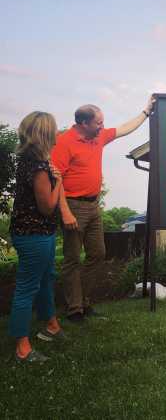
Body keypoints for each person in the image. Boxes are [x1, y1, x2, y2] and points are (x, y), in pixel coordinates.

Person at [51, 96, 154, 322]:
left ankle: (84, 302)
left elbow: (125, 128)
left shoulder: (97, 137)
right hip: (72, 205)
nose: (102, 127)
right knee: (72, 259)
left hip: (93, 205)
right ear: (83, 123)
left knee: (98, 254)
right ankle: (74, 310)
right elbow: (55, 179)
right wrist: (65, 211)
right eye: (99, 123)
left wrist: (146, 111)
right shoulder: (64, 142)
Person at [9, 112, 64, 363]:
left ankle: (51, 326)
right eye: (53, 131)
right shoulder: (40, 168)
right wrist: (59, 181)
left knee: (46, 278)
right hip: (34, 234)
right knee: (28, 287)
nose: (56, 136)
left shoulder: (29, 161)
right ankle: (22, 348)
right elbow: (47, 207)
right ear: (44, 134)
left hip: (40, 233)